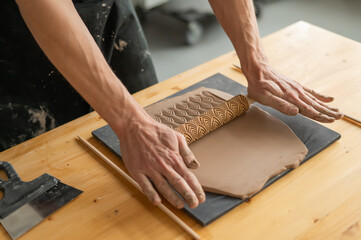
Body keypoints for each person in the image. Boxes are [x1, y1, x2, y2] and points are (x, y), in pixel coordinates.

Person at [1, 0, 342, 210]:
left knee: (146, 135)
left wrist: (255, 62)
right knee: (38, 165)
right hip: (18, 28)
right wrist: (130, 123)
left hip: (105, 8)